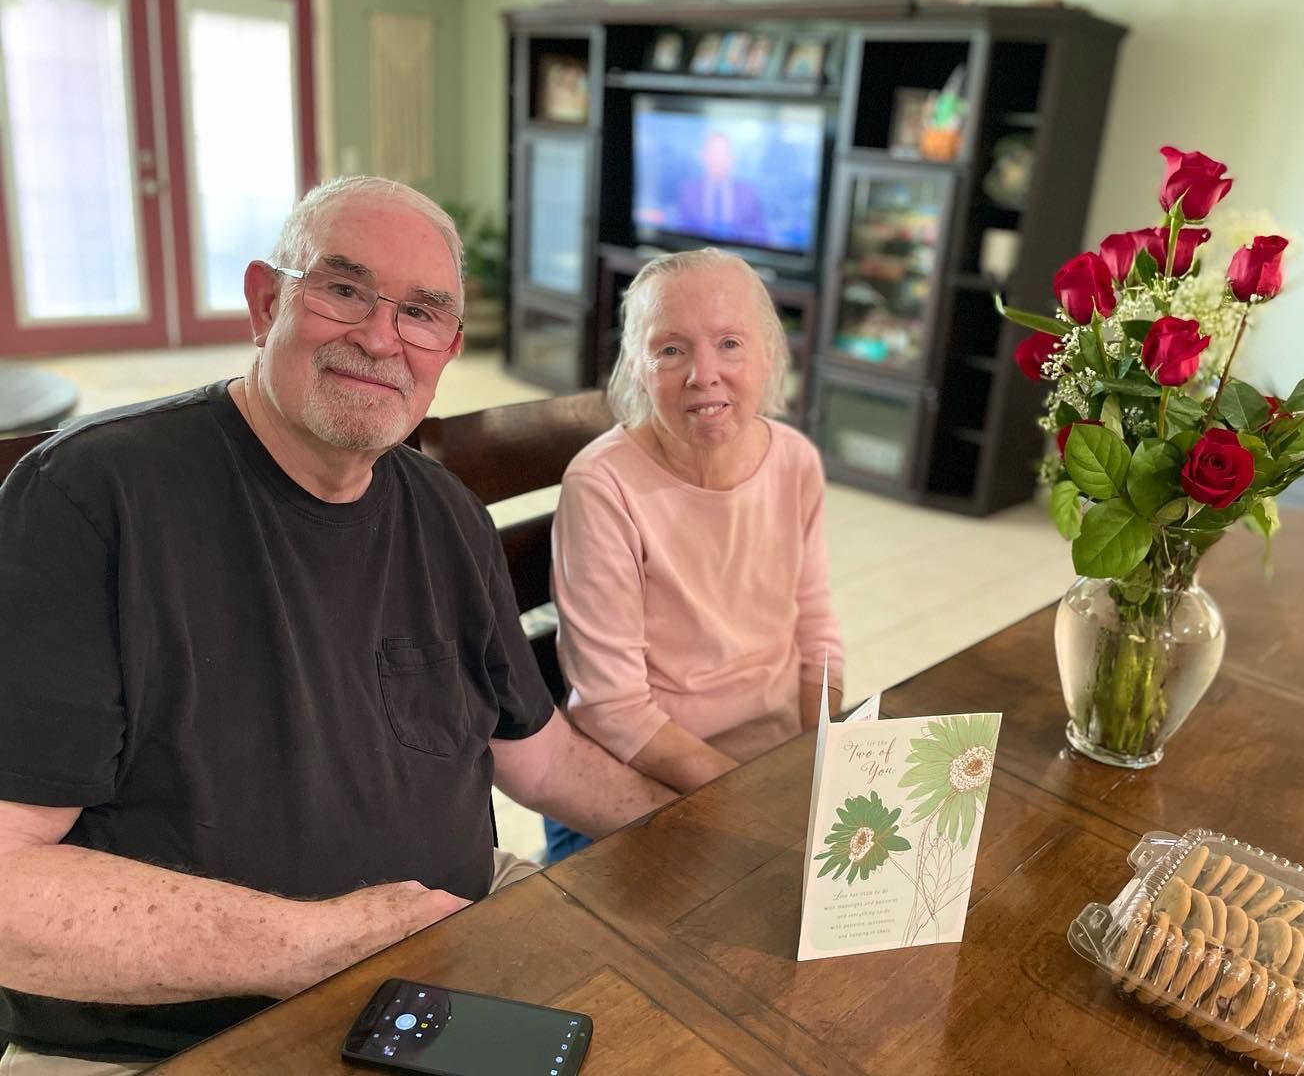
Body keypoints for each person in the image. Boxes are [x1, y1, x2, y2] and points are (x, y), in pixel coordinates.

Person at [0, 176, 675, 1073]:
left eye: (422, 313)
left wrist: (698, 827)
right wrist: (308, 944)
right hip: (169, 1042)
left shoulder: (444, 513)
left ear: (449, 349)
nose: (379, 337)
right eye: (343, 289)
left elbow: (539, 755)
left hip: (439, 977)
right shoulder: (92, 500)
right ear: (265, 300)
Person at [544, 248, 843, 862]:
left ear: (768, 354)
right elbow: (614, 709)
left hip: (770, 762)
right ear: (636, 367)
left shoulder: (794, 461)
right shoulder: (603, 486)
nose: (703, 373)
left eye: (729, 343)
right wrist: (758, 801)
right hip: (641, 777)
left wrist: (820, 762)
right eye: (671, 350)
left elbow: (817, 635)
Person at [675, 133, 768, 246]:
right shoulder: (688, 191)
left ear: (731, 159)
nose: (718, 160)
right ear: (703, 157)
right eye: (713, 154)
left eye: (723, 154)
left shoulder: (747, 193)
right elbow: (679, 232)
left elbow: (762, 234)